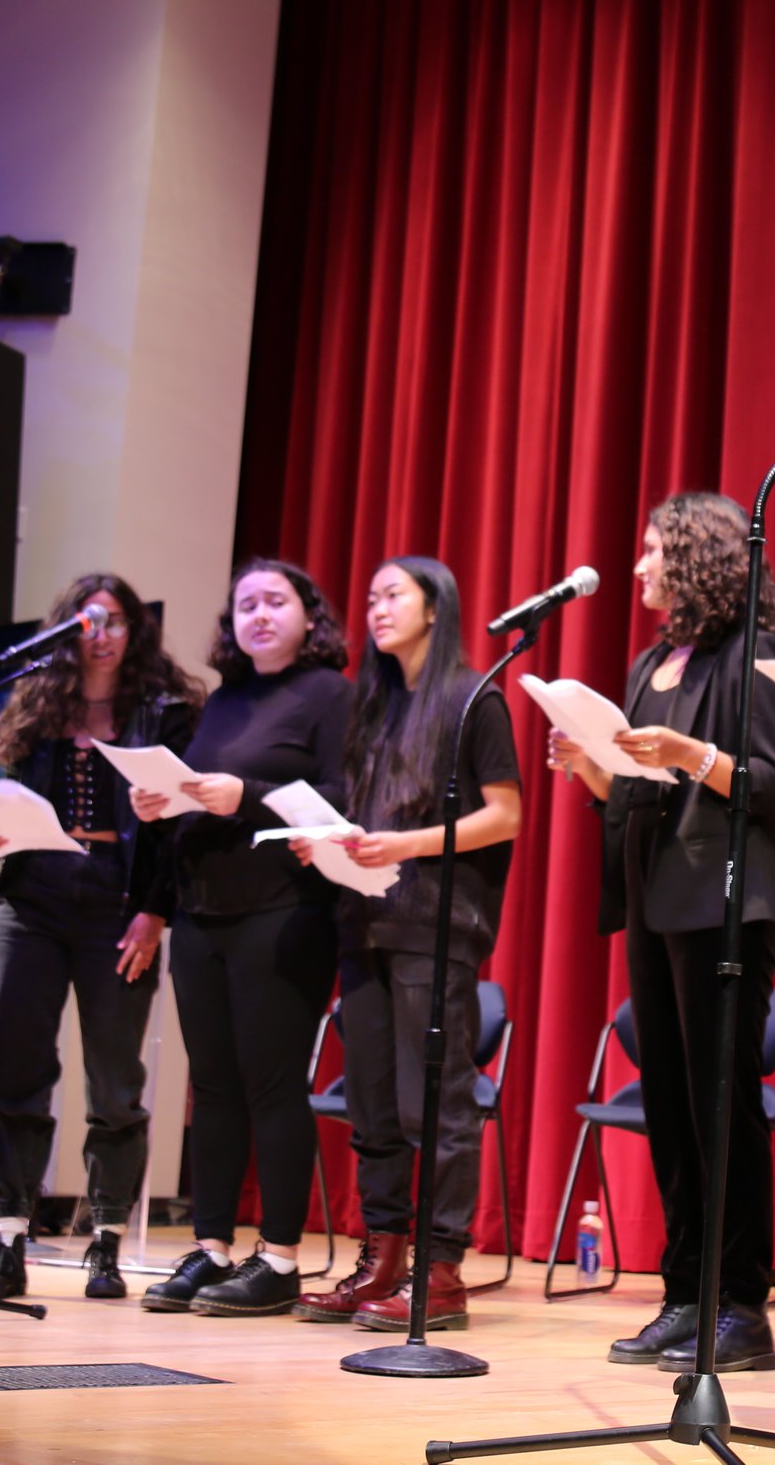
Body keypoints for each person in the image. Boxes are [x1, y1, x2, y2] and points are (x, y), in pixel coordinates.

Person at [549, 492, 775, 1374]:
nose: (640, 566)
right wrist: (591, 764)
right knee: (669, 1108)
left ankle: (742, 1307)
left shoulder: (753, 654)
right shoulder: (652, 659)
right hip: (654, 904)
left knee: (720, 1105)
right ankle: (684, 1295)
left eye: (654, 550)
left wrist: (690, 754)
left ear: (697, 558)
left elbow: (773, 783)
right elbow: (636, 789)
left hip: (724, 903)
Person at [291, 556, 522, 1332]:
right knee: (374, 1103)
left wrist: (406, 845)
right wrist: (325, 840)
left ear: (435, 605)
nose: (376, 607)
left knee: (436, 1101)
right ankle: (382, 1253)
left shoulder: (471, 697)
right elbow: (363, 818)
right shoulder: (375, 705)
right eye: (370, 596)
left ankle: (444, 1267)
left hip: (435, 923)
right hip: (364, 922)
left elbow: (506, 815)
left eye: (393, 594)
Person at [0, 573, 201, 1304]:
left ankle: (105, 1243)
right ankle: (7, 1242)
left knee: (114, 1080)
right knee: (16, 1069)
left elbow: (179, 828)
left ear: (135, 631)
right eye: (88, 619)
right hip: (33, 896)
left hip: (118, 901)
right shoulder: (35, 704)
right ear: (66, 628)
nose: (101, 631)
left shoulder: (165, 710)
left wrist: (155, 913)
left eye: (116, 619)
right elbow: (1, 800)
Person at [130, 559, 354, 1317]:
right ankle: (212, 1246)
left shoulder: (330, 694)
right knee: (213, 1087)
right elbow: (203, 794)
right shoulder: (221, 702)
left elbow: (346, 798)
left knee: (271, 1084)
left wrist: (248, 797)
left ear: (308, 614)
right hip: (202, 911)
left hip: (282, 909)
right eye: (245, 604)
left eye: (276, 601)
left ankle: (282, 1257)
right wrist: (163, 800)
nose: (258, 614)